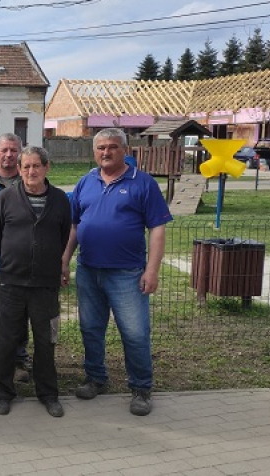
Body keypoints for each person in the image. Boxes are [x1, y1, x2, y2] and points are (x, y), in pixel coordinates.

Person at [62, 128, 172, 416]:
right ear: (94, 151)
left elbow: (158, 229)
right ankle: (96, 378)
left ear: (125, 150)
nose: (106, 152)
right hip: (88, 270)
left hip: (127, 273)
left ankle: (141, 388)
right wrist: (65, 260)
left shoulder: (143, 183)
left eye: (112, 147)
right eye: (100, 148)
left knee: (134, 333)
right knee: (90, 329)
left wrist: (152, 269)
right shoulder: (85, 182)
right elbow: (74, 226)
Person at [0, 147, 71, 418]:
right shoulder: (5, 198)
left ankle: (48, 393)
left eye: (36, 166)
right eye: (26, 167)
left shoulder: (60, 200)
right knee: (6, 340)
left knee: (46, 340)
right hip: (12, 283)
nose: (31, 171)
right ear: (20, 169)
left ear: (47, 168)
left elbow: (62, 236)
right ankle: (3, 393)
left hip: (45, 286)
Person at [0, 133, 31, 376]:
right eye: (4, 150)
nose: (9, 155)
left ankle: (20, 356)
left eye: (14, 150)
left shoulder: (29, 180)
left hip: (21, 260)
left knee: (20, 310)